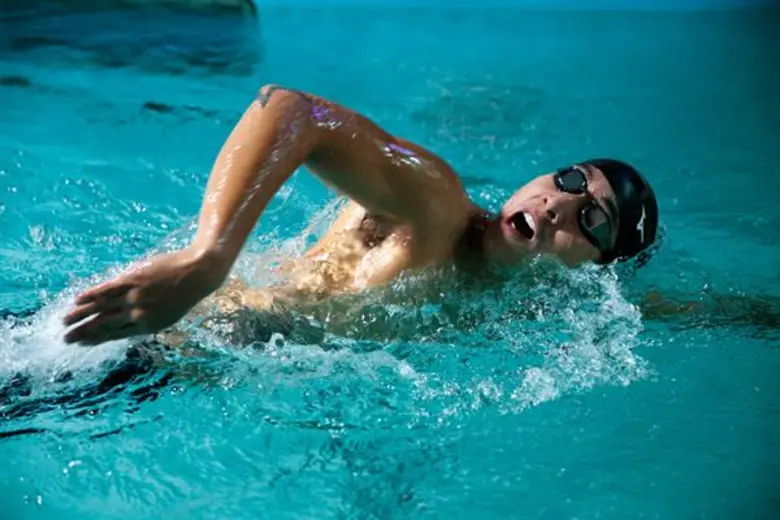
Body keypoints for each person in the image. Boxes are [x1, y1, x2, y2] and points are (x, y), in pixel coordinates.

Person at [62, 84, 659, 347]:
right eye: (569, 180)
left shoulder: (538, 303)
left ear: (596, 268)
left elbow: (663, 308)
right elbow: (294, 110)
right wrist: (208, 257)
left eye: (593, 219)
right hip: (154, 340)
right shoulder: (434, 206)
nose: (557, 205)